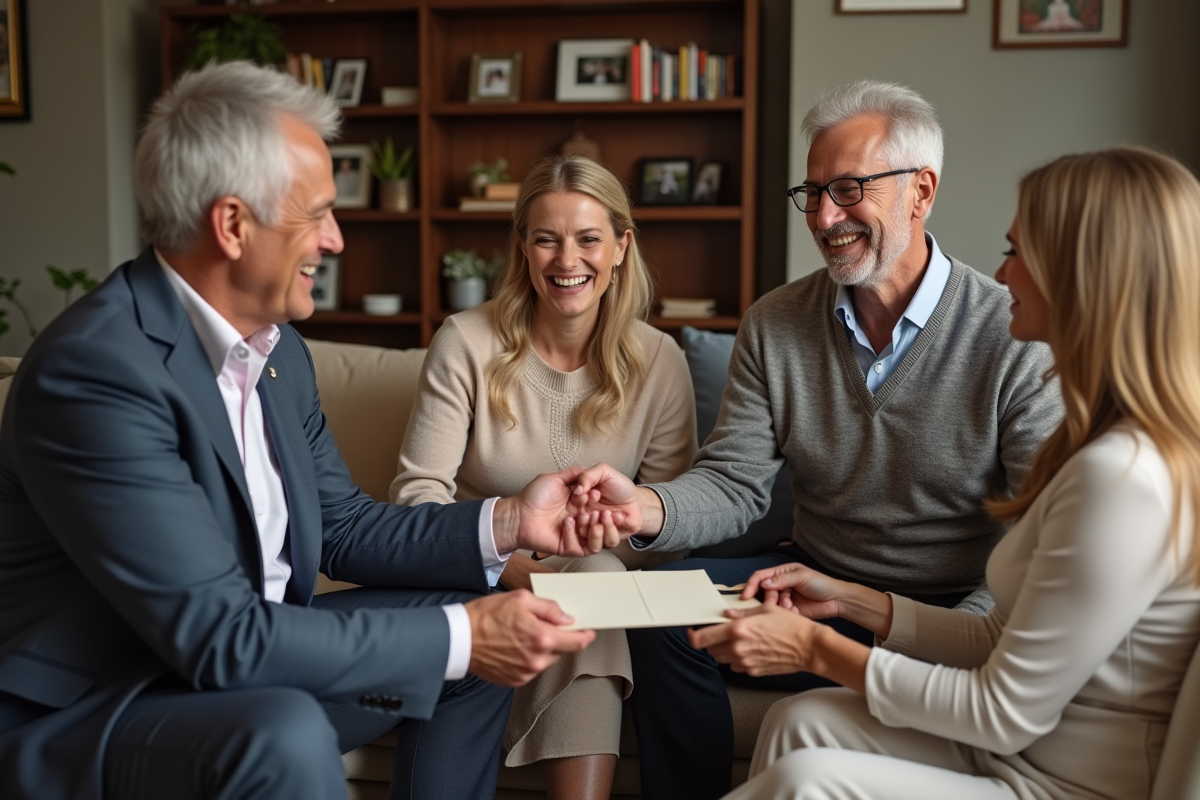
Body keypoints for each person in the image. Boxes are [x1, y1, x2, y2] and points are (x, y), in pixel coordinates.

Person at [0, 61, 633, 800]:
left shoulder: (278, 353)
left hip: (242, 665)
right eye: (317, 214)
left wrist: (509, 522)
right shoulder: (97, 372)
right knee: (306, 718)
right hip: (103, 703)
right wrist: (465, 636)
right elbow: (219, 637)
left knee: (477, 626)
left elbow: (342, 525)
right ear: (233, 225)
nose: (334, 240)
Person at [570, 79, 1063, 799]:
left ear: (921, 192)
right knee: (653, 611)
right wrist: (641, 507)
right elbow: (734, 484)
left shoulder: (1013, 333)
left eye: (850, 189)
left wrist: (946, 646)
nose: (825, 217)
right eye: (813, 193)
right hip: (811, 582)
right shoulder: (775, 323)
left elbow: (1039, 537)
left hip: (951, 608)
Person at [701, 146, 1200, 800]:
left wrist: (813, 649)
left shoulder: (1123, 479)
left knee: (806, 779)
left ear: (1083, 275)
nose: (1000, 272)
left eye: (1018, 252)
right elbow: (999, 636)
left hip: (1060, 781)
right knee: (803, 719)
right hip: (1024, 751)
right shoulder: (1100, 443)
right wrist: (850, 600)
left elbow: (1003, 711)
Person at [391, 153, 698, 800]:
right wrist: (513, 568)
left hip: (598, 579)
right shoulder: (465, 341)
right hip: (477, 575)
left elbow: (671, 520)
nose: (567, 260)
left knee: (597, 578)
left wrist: (602, 542)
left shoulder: (660, 361)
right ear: (522, 248)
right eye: (546, 240)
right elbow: (417, 497)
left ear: (621, 247)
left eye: (588, 239)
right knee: (591, 589)